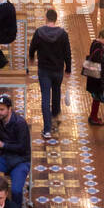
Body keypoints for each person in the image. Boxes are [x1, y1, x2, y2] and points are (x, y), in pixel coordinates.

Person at [29, 8, 72, 138]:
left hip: (44, 70)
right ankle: (55, 115)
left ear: (46, 18)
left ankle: (47, 129)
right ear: (56, 19)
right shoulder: (63, 34)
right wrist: (68, 68)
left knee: (45, 98)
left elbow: (32, 48)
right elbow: (67, 53)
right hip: (58, 70)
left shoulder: (39, 32)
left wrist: (31, 58)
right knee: (57, 91)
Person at [0, 94, 31, 208]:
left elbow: (23, 148)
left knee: (16, 191)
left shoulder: (20, 123)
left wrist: (3, 145)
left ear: (9, 109)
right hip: (5, 158)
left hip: (21, 161)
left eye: (2, 109)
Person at [86, 27, 104, 126]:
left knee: (96, 98)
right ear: (101, 37)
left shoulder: (94, 44)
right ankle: (94, 117)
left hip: (93, 76)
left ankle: (93, 116)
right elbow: (101, 61)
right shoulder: (99, 47)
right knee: (99, 97)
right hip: (97, 77)